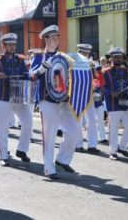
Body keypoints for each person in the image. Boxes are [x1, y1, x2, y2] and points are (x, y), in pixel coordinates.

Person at [30, 25, 83, 180]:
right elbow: (31, 76)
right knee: (49, 135)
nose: (56, 40)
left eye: (57, 37)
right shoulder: (39, 56)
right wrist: (41, 69)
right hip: (47, 99)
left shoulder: (65, 57)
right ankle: (49, 168)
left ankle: (62, 159)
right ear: (45, 39)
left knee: (74, 130)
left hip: (65, 99)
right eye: (53, 37)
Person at [0, 33, 33, 167]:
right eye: (10, 44)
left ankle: (21, 150)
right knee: (3, 128)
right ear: (4, 45)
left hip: (18, 96)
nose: (12, 46)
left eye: (14, 44)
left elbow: (25, 74)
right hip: (3, 98)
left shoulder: (20, 59)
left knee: (28, 124)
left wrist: (32, 76)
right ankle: (3, 156)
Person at [103, 47, 128, 160]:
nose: (118, 58)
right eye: (116, 57)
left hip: (126, 101)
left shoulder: (126, 71)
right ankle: (113, 151)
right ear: (111, 58)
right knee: (114, 128)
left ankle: (122, 146)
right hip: (113, 103)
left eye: (120, 56)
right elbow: (100, 86)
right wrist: (110, 92)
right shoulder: (105, 72)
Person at [75, 44, 101, 154]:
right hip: (77, 94)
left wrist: (95, 81)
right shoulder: (73, 62)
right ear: (79, 52)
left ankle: (92, 145)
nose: (86, 55)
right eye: (84, 53)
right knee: (78, 120)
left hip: (89, 94)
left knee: (92, 120)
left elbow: (96, 77)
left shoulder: (91, 64)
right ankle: (78, 145)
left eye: (87, 53)